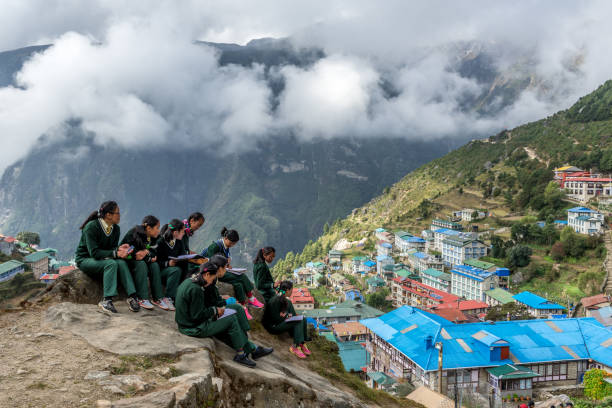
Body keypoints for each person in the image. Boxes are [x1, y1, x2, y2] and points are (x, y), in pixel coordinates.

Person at [174, 260, 273, 368]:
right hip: (193, 327)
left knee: (232, 316)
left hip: (187, 323)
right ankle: (241, 355)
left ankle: (250, 347)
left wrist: (215, 310)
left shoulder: (191, 281)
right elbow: (196, 316)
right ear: (207, 274)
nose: (212, 282)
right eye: (212, 279)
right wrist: (215, 311)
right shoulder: (196, 289)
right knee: (231, 319)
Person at [75, 201, 143, 314]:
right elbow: (94, 253)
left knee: (121, 262)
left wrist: (120, 249)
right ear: (108, 215)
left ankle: (132, 296)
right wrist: (116, 253)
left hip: (101, 259)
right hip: (85, 259)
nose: (120, 215)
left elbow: (111, 249)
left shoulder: (115, 229)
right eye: (118, 213)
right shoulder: (91, 227)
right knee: (111, 263)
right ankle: (107, 300)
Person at [203, 227, 264, 318]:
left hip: (221, 269)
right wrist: (223, 267)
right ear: (226, 238)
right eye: (231, 243)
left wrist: (227, 266)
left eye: (233, 244)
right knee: (241, 276)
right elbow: (210, 262)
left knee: (238, 284)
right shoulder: (215, 246)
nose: (232, 245)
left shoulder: (225, 246)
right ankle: (251, 298)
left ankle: (243, 307)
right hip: (214, 273)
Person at [120, 215, 174, 311]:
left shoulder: (153, 237)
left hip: (143, 260)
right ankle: (142, 298)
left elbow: (154, 253)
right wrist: (140, 254)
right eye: (157, 228)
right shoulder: (132, 233)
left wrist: (146, 253)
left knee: (154, 265)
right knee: (141, 264)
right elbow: (125, 250)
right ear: (148, 228)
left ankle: (157, 298)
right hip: (129, 261)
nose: (159, 230)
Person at [262, 280, 311, 359]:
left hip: (282, 322)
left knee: (303, 319)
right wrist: (287, 316)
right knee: (298, 320)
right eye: (292, 290)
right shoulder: (275, 301)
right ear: (287, 290)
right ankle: (295, 347)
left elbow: (293, 315)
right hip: (273, 326)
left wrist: (289, 316)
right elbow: (276, 318)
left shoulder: (286, 300)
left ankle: (302, 342)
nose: (292, 292)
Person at [154, 219, 188, 310]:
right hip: (161, 272)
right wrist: (168, 263)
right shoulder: (160, 242)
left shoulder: (179, 242)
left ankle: (179, 294)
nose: (184, 233)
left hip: (175, 271)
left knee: (185, 266)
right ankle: (169, 298)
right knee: (176, 270)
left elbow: (183, 255)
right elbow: (155, 261)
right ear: (176, 232)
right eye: (182, 231)